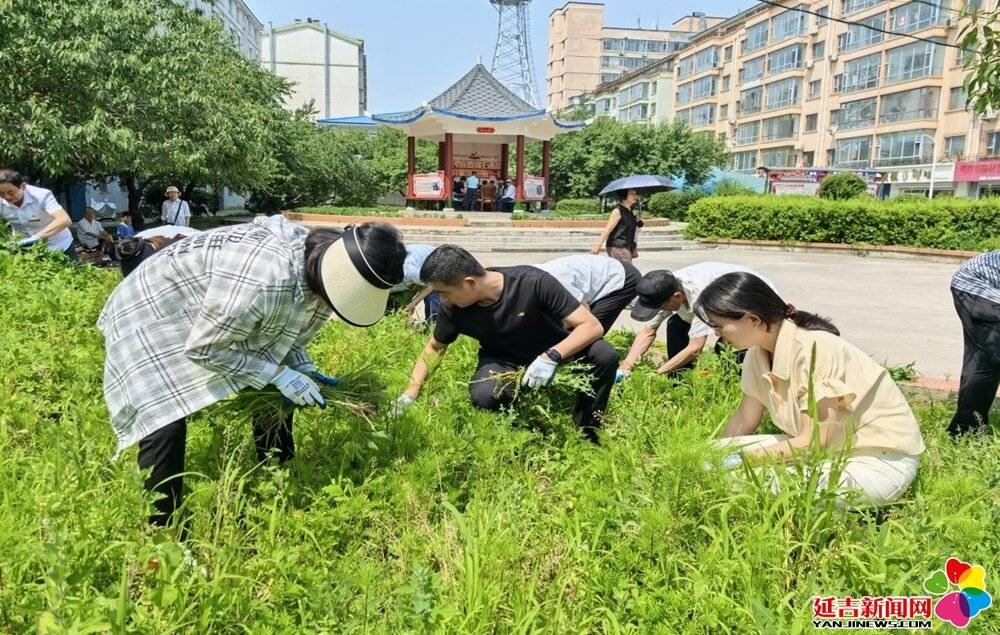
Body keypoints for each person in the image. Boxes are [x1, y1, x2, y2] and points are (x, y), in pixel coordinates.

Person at [97, 216, 406, 526]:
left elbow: (289, 335)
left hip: (216, 307)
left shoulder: (321, 265)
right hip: (154, 307)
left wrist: (302, 367)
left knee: (274, 389)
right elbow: (205, 348)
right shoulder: (266, 278)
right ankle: (162, 530)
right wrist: (278, 374)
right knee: (164, 418)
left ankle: (277, 474)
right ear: (341, 275)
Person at [697, 272, 925, 506]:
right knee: (705, 458)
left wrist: (742, 459)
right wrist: (718, 457)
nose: (717, 334)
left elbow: (817, 440)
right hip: (825, 452)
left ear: (752, 319)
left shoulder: (815, 348)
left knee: (742, 478)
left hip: (876, 460)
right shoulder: (757, 355)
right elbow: (745, 418)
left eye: (719, 326)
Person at [394, 245, 618, 442]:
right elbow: (434, 347)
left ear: (469, 283)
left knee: (604, 355)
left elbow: (591, 325)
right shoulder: (454, 309)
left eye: (444, 293)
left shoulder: (532, 282)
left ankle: (587, 431)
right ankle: (516, 432)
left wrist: (552, 355)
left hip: (554, 346)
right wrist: (410, 392)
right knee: (485, 395)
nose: (442, 299)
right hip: (503, 357)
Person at [619, 263, 776, 380]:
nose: (659, 310)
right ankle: (679, 379)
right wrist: (627, 365)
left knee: (727, 348)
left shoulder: (700, 296)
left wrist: (657, 373)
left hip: (751, 298)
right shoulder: (661, 288)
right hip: (722, 301)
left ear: (677, 297)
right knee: (675, 325)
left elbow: (695, 348)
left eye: (661, 307)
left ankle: (741, 386)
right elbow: (648, 331)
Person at [948, 250, 1000, 436]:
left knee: (983, 358)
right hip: (978, 286)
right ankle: (968, 430)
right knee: (990, 359)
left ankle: (966, 429)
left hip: (984, 286)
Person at [533, 254, 640, 333]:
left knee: (590, 329)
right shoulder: (530, 278)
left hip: (622, 278)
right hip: (595, 275)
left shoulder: (557, 281)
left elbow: (584, 310)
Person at [0, 168, 78, 260]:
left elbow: (64, 220)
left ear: (23, 186)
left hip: (59, 246)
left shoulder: (41, 195)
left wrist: (37, 237)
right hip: (26, 250)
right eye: (1, 193)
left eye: (11, 192)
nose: (6, 197)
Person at [393, 243, 442, 325]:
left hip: (437, 266)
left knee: (433, 299)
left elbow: (433, 283)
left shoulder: (408, 271)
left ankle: (434, 328)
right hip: (419, 268)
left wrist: (413, 304)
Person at [591, 188, 641, 264]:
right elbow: (608, 229)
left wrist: (638, 220)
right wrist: (597, 246)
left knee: (624, 272)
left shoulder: (629, 211)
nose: (635, 196)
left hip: (626, 246)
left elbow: (633, 227)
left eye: (635, 193)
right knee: (626, 272)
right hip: (618, 246)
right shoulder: (617, 211)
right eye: (632, 194)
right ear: (624, 195)